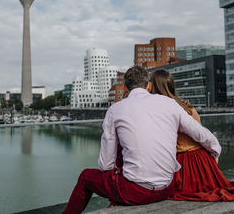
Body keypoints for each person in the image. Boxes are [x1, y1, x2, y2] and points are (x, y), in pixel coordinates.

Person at [63, 66, 221, 213]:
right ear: (149, 86)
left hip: (136, 192)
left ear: (125, 88)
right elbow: (203, 135)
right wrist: (215, 152)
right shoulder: (169, 104)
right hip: (167, 187)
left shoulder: (115, 110)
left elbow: (106, 165)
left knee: (85, 177)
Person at [150, 69, 234, 201]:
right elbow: (200, 133)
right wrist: (214, 152)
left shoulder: (165, 110)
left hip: (185, 164)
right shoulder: (186, 106)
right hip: (203, 162)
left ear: (155, 87)